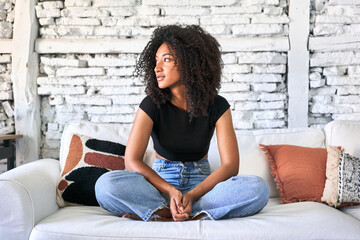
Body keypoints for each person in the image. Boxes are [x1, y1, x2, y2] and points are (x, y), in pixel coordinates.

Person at [95, 25, 269, 222]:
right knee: (105, 185)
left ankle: (173, 211)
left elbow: (230, 166)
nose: (157, 67)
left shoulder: (217, 105)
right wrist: (171, 191)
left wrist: (192, 195)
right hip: (159, 186)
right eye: (156, 60)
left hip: (202, 188)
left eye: (166, 59)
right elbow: (132, 161)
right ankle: (180, 210)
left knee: (258, 188)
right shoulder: (151, 104)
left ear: (189, 63)